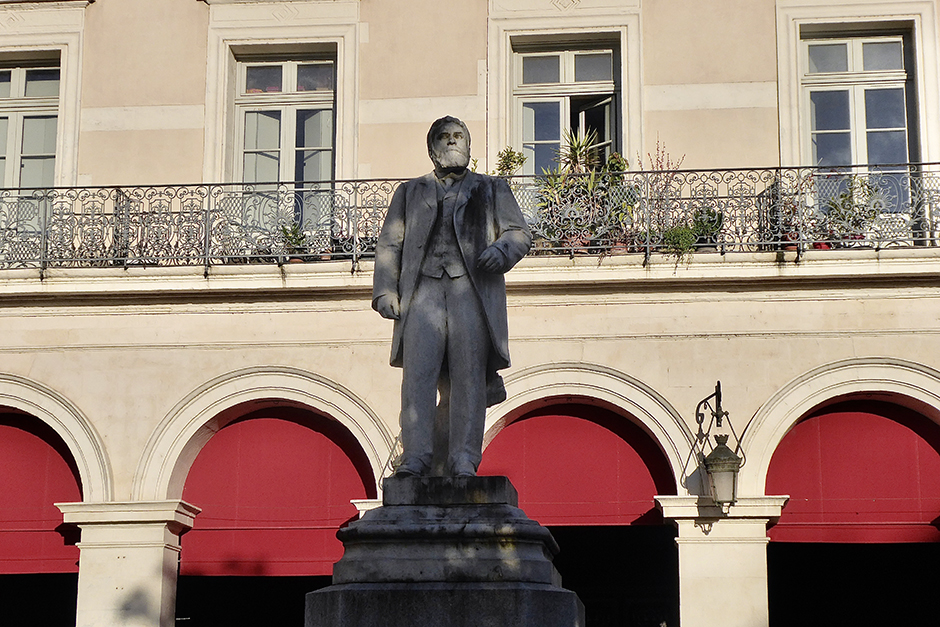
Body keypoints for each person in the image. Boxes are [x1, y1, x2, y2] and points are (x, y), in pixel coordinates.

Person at [372, 116, 532, 477]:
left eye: (458, 136)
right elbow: (390, 243)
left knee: (469, 377)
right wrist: (385, 290)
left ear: (469, 145)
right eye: (443, 137)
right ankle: (416, 456)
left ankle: (464, 458)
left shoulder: (491, 188)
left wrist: (502, 251)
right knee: (418, 377)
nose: (451, 142)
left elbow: (519, 233)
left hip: (471, 294)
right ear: (431, 148)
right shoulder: (409, 192)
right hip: (421, 293)